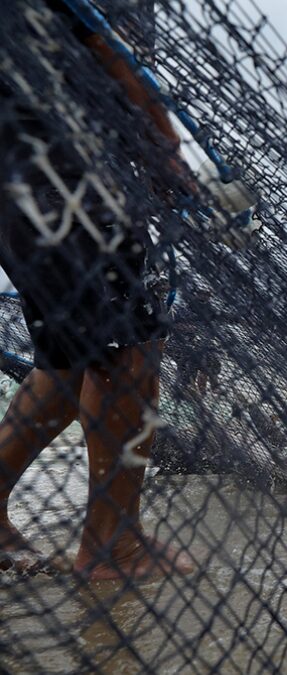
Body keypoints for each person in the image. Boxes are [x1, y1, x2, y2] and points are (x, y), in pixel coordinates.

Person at [0, 1, 194, 579]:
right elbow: (110, 45)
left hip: (23, 174)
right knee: (129, 350)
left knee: (66, 362)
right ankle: (114, 546)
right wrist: (167, 151)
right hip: (61, 172)